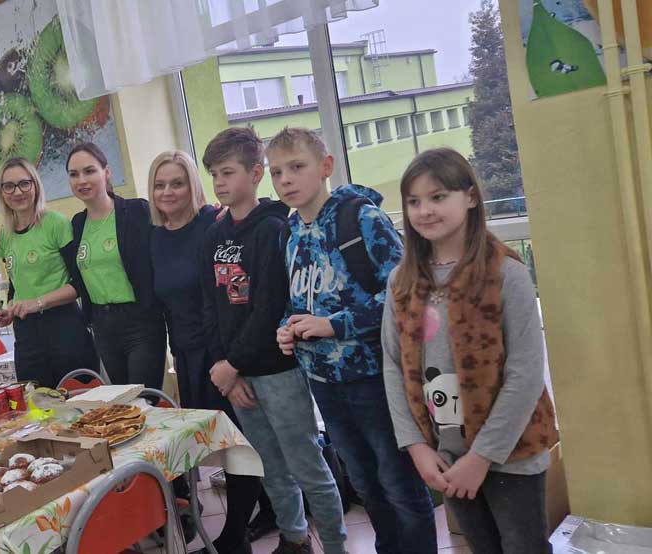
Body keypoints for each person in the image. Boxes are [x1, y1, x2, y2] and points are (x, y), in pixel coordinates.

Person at [269, 128, 437, 554]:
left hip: (373, 377)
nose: (285, 179)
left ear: (325, 166)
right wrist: (288, 327)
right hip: (324, 381)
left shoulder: (361, 218)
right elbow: (298, 300)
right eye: (276, 172)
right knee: (364, 483)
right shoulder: (291, 230)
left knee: (398, 482)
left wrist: (335, 325)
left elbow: (407, 294)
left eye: (297, 167)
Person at [382, 148, 558, 554]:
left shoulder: (506, 273)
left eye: (438, 197)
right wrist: (416, 446)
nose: (425, 210)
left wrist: (481, 458)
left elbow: (526, 372)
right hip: (445, 454)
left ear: (471, 197)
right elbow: (393, 366)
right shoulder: (401, 281)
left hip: (511, 451)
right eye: (414, 201)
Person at [200, 127, 346, 554]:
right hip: (238, 375)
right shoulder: (213, 235)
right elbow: (210, 306)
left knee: (306, 465)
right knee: (269, 467)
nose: (219, 183)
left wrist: (233, 365)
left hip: (277, 371)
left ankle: (335, 545)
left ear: (255, 173)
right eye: (214, 174)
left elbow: (269, 308)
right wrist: (224, 368)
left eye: (228, 172)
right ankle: (294, 538)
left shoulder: (274, 228)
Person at [147, 149, 264, 554]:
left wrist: (229, 362)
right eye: (160, 184)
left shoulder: (212, 226)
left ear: (193, 186)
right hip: (185, 355)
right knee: (216, 444)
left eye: (177, 183)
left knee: (236, 447)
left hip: (220, 353)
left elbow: (229, 297)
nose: (168, 191)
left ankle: (235, 537)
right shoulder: (155, 238)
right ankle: (262, 514)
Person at [0, 158, 98, 388]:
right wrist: (9, 311)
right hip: (27, 336)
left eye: (24, 183)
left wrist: (37, 303)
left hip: (65, 329)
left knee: (79, 404)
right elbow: (16, 285)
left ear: (35, 185)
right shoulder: (4, 235)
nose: (17, 192)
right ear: (1, 192)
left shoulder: (56, 224)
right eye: (8, 186)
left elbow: (80, 284)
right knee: (36, 404)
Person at [67, 142, 167, 389]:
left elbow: (174, 226)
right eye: (74, 174)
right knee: (121, 401)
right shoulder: (77, 224)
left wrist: (213, 213)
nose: (82, 180)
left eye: (89, 171)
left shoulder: (136, 211)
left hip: (140, 322)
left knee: (143, 399)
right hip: (102, 326)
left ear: (107, 172)